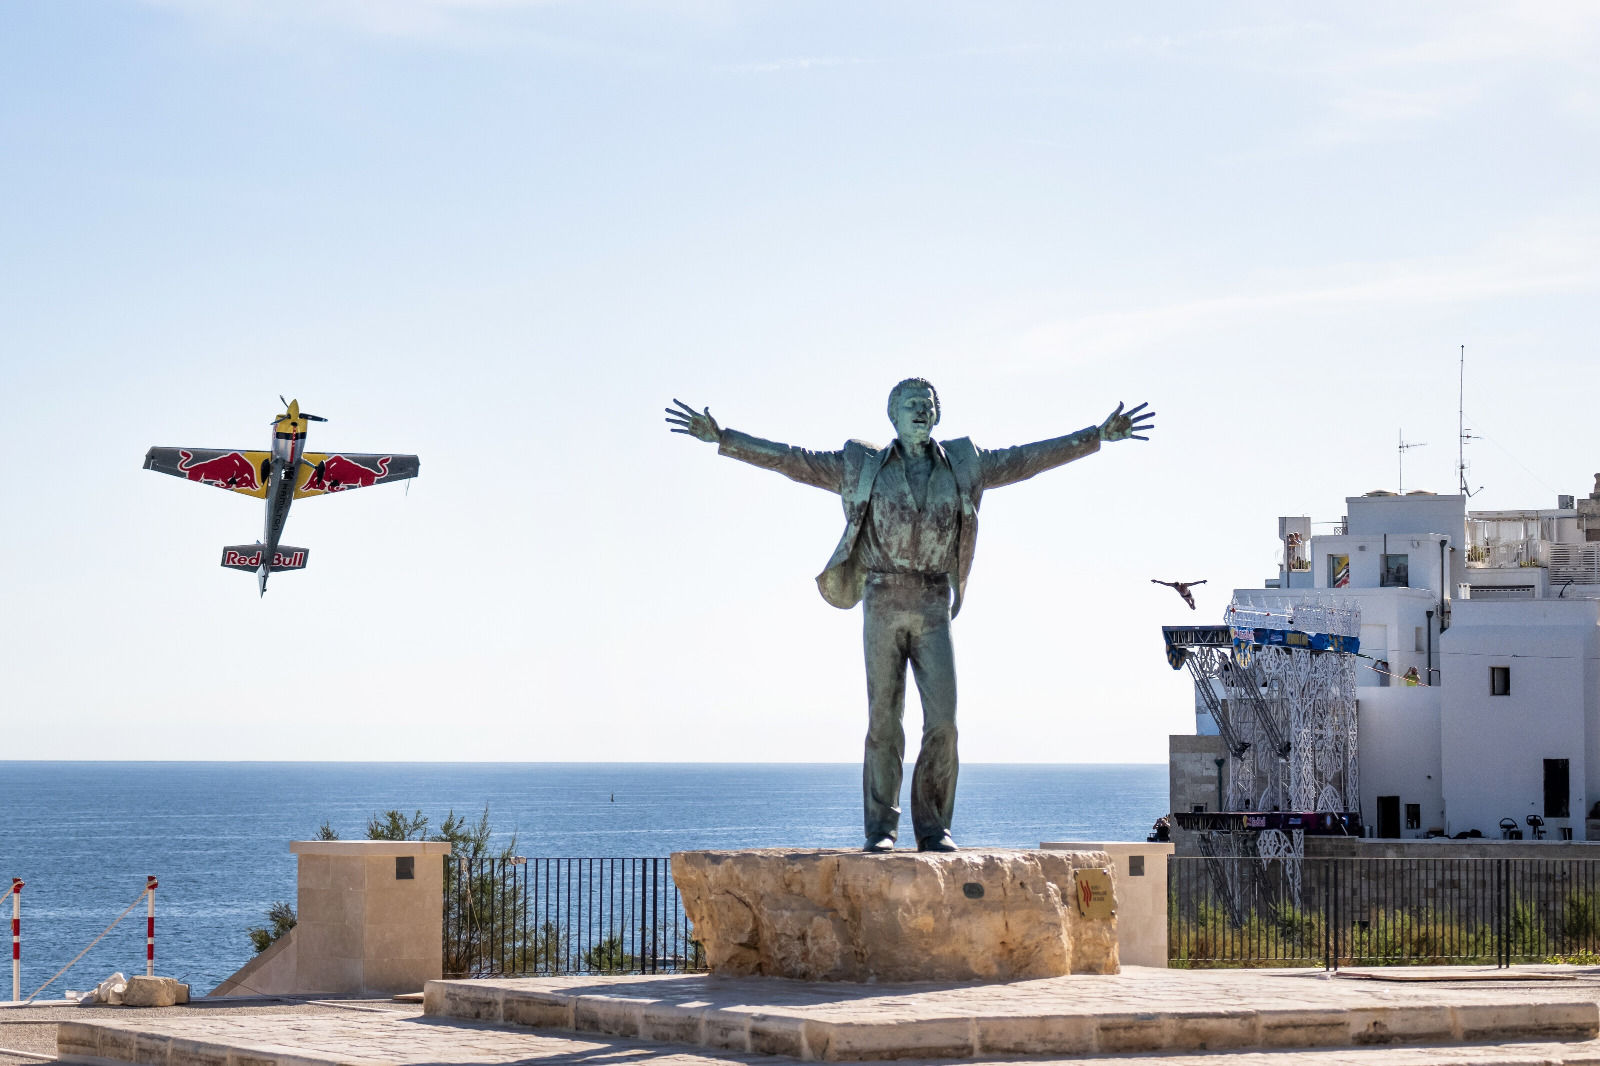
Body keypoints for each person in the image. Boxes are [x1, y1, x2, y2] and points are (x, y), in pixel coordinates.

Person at [666, 379, 1154, 852]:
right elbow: (792, 461)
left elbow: (1026, 460)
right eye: (910, 404)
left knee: (943, 721)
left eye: (927, 403)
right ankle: (880, 828)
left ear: (937, 414)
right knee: (884, 720)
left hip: (932, 602)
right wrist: (725, 438)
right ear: (892, 416)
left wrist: (1095, 437)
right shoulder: (862, 465)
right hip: (882, 599)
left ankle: (934, 828)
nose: (920, 410)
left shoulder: (964, 465)